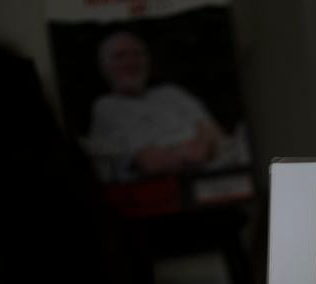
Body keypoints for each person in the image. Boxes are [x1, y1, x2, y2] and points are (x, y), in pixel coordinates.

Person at [86, 30, 241, 182]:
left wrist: (175, 152)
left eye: (137, 54)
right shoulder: (107, 107)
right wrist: (197, 148)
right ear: (105, 67)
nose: (131, 61)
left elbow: (217, 136)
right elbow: (153, 163)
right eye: (120, 56)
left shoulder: (172, 93)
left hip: (215, 183)